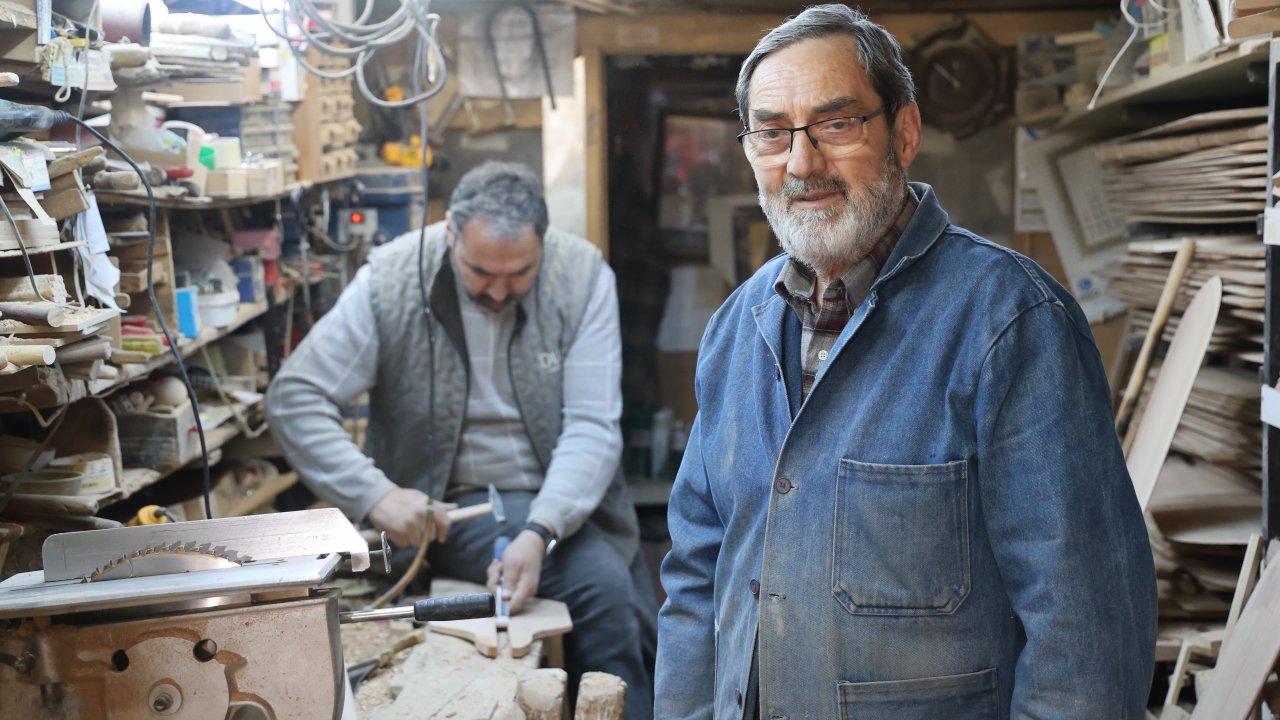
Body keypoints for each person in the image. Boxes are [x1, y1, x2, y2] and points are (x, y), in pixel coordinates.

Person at [654, 6, 1156, 719]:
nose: (801, 163)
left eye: (836, 124)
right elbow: (696, 579)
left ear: (905, 132)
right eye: (772, 132)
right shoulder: (737, 329)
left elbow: (1084, 637)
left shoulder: (1013, 324)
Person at [267, 161, 657, 718]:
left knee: (622, 608)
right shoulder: (393, 279)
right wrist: (374, 494)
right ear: (450, 233)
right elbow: (294, 398)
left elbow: (592, 426)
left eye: (519, 273)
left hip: (566, 501)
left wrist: (540, 529)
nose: (498, 291)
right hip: (453, 508)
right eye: (480, 271)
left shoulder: (582, 276)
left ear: (543, 244)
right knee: (600, 585)